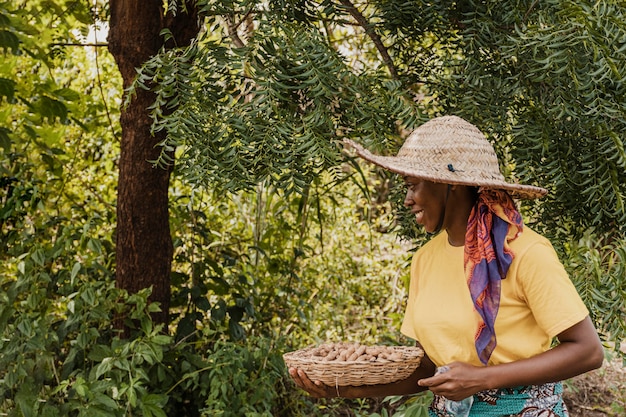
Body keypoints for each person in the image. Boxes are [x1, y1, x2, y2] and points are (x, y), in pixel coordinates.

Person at [288, 115, 604, 416]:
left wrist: (485, 379)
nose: (407, 199)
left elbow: (587, 351)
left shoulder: (524, 252)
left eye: (413, 185)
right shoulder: (425, 259)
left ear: (448, 184)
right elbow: (428, 369)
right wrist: (343, 389)